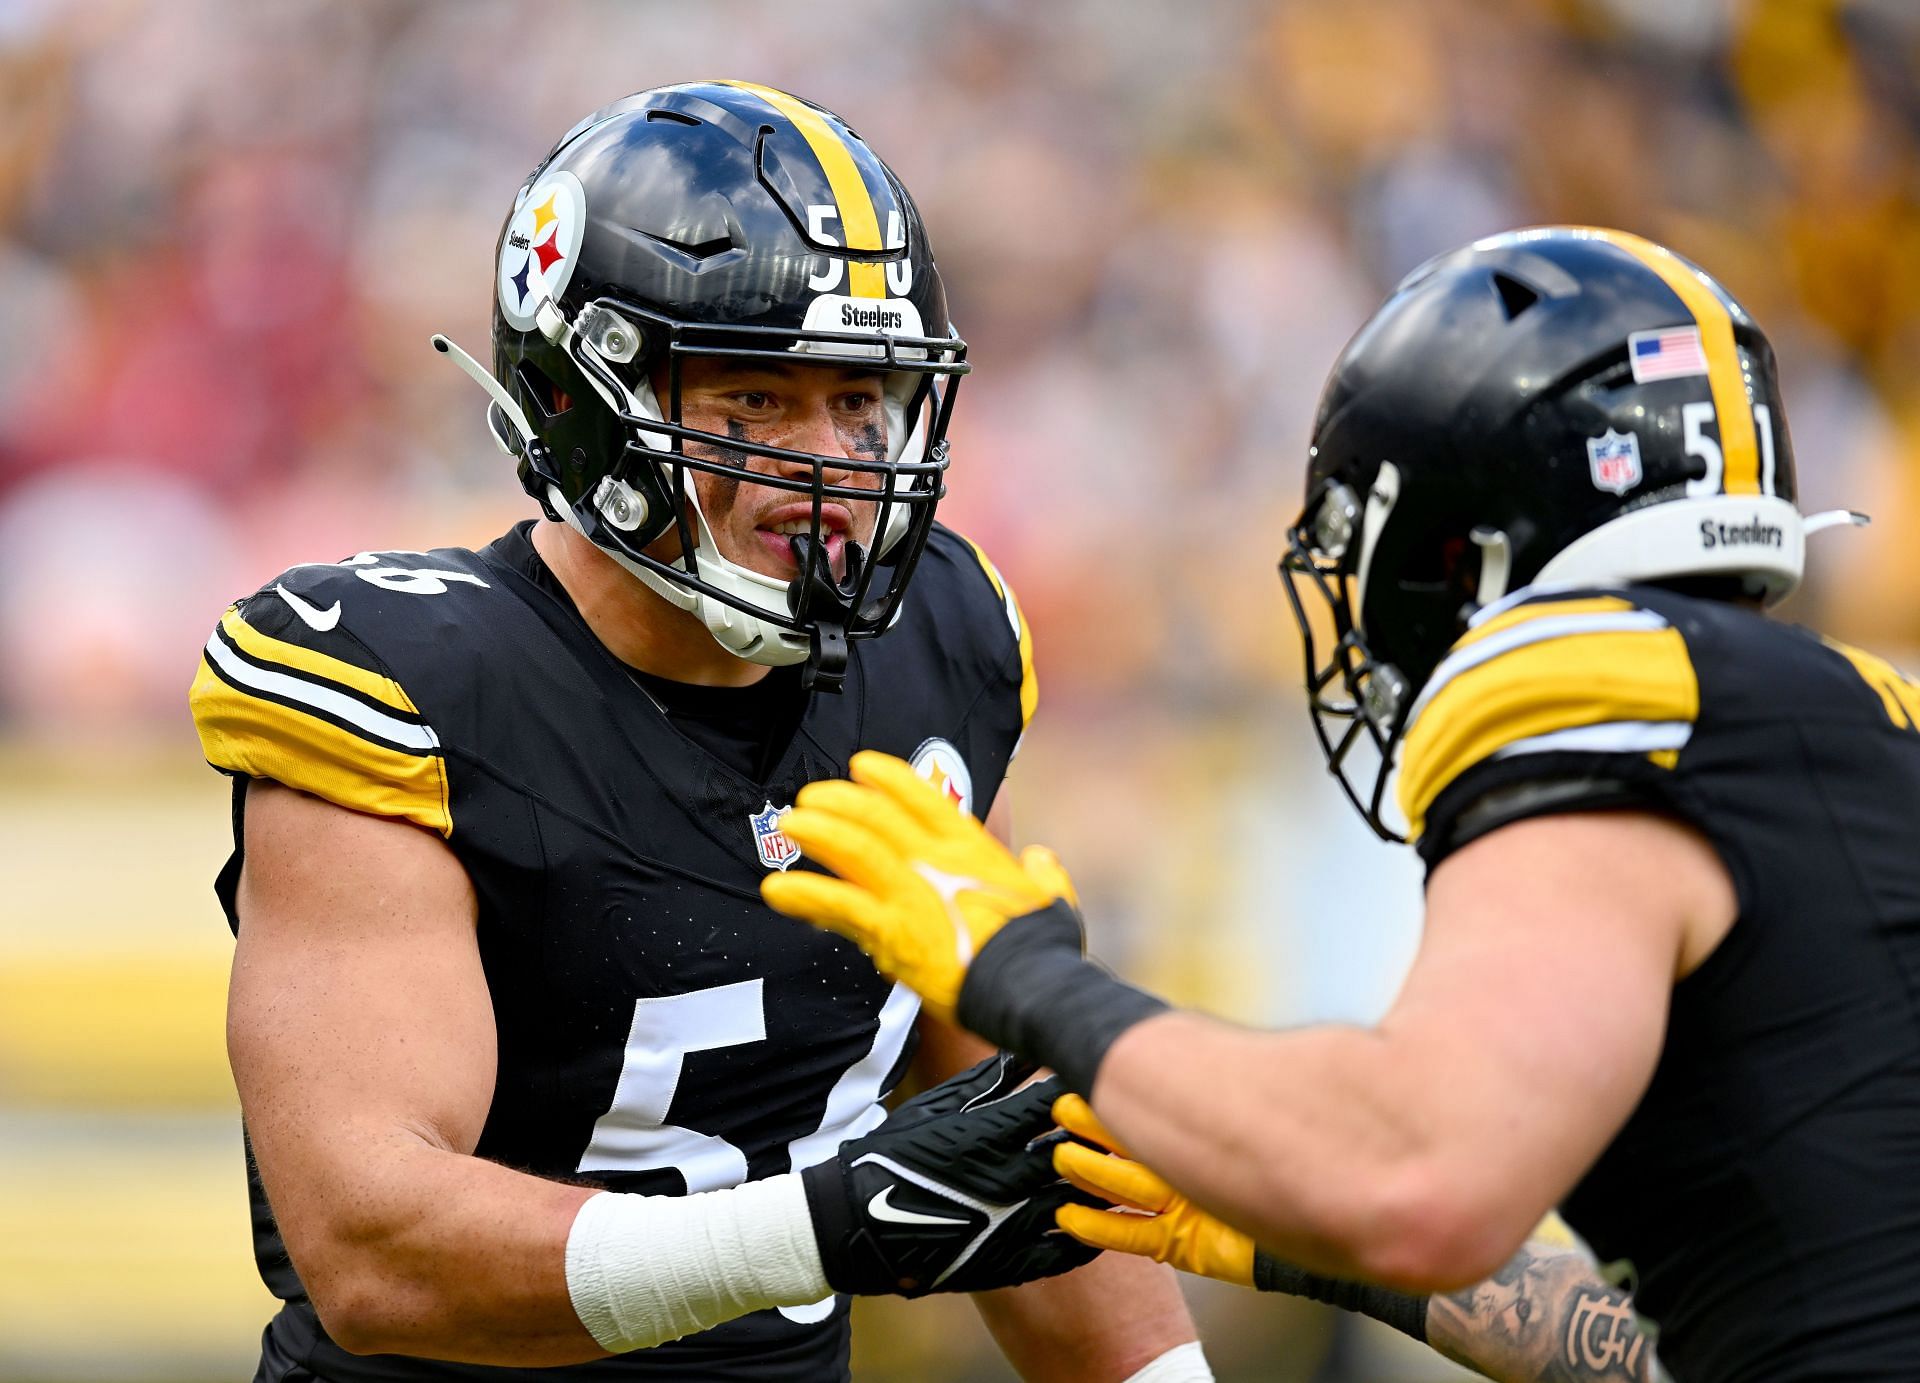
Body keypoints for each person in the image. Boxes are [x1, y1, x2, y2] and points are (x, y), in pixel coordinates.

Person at [760, 225, 1920, 1382]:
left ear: (1461, 551)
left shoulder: (1593, 682)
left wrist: (1024, 976)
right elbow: (1713, 1349)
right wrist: (1295, 1226)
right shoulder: (1865, 722)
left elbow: (1419, 1181)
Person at [188, 81, 1211, 1382]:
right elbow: (378, 1250)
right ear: (584, 390)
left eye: (861, 400)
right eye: (760, 402)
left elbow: (1020, 1143)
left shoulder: (931, 649)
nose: (835, 464)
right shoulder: (408, 683)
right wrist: (820, 1227)